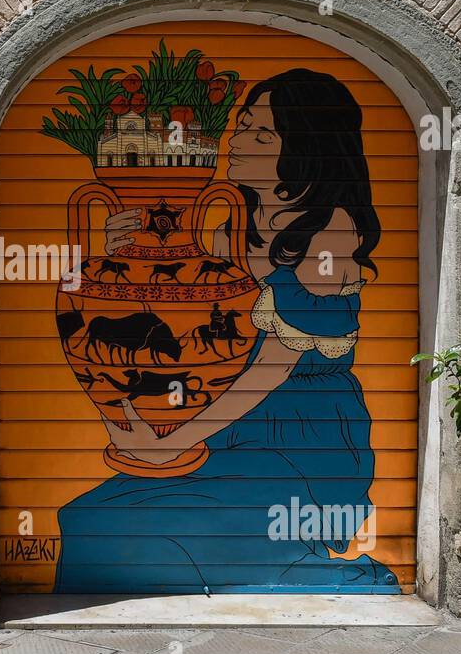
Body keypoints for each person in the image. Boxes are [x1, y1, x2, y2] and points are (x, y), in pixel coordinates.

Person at [54, 69, 399, 593]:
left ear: (307, 148)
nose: (235, 142)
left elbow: (268, 371)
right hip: (223, 425)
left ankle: (348, 583)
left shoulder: (330, 232)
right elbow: (184, 321)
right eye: (240, 125)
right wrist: (114, 253)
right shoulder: (229, 226)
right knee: (84, 517)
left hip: (299, 441)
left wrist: (170, 443)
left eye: (261, 134)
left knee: (106, 521)